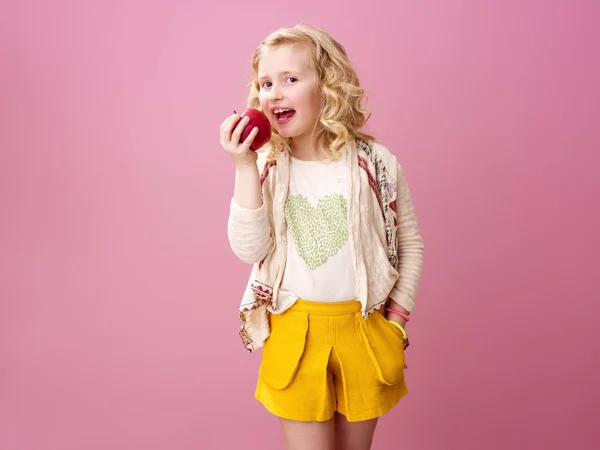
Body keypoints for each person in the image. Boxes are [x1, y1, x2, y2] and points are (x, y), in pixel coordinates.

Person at [219, 24, 424, 450]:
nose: (274, 92)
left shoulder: (377, 164)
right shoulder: (267, 168)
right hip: (296, 332)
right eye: (266, 83)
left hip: (364, 328)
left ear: (328, 85)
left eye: (291, 79)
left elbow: (410, 246)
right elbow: (249, 250)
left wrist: (396, 325)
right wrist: (244, 167)